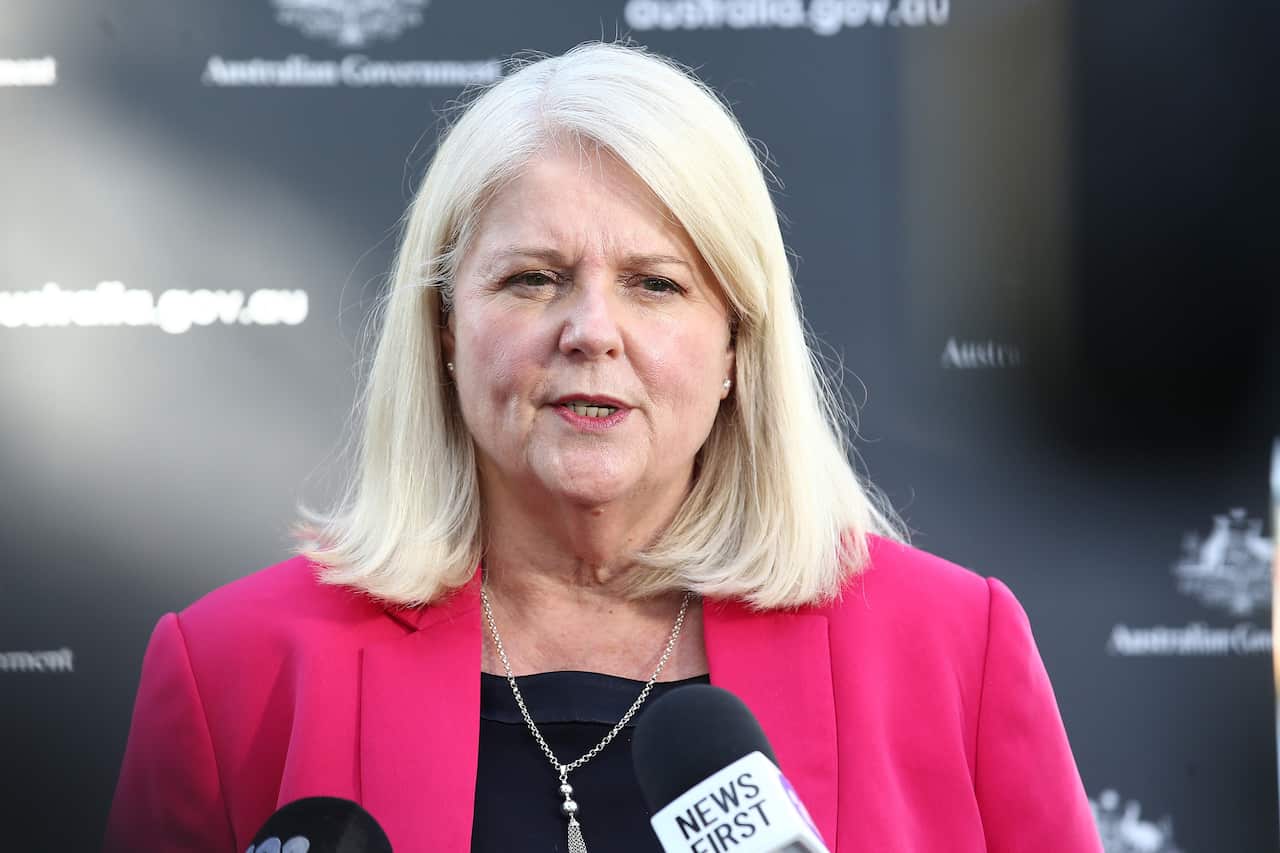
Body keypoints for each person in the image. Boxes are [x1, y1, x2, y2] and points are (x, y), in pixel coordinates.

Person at [104, 41, 1102, 853]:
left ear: (734, 346)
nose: (589, 329)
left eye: (654, 283)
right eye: (532, 278)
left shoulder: (948, 649)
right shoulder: (232, 670)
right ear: (444, 328)